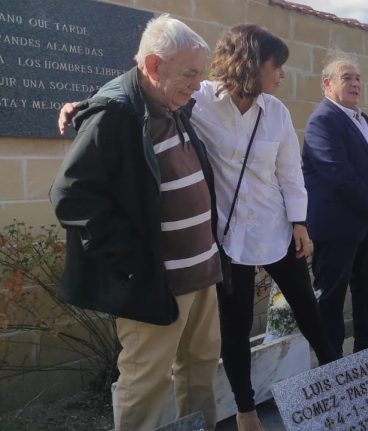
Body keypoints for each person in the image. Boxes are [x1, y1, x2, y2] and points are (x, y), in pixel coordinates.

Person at [57, 25, 337, 431]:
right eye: (277, 66)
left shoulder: (273, 111)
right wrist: (87, 105)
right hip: (222, 242)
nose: (282, 75)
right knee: (226, 335)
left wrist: (299, 221)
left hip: (261, 234)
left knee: (294, 317)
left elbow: (291, 174)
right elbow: (135, 97)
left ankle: (341, 387)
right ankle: (245, 412)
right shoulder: (199, 99)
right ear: (251, 64)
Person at [50, 15, 222, 430]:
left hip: (202, 274)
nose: (198, 83)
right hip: (155, 283)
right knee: (146, 385)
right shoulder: (114, 116)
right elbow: (71, 196)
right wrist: (134, 261)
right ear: (152, 65)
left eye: (201, 73)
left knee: (200, 369)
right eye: (190, 73)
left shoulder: (173, 104)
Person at [302, 54, 368, 358]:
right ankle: (331, 357)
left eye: (358, 78)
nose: (355, 83)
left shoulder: (363, 119)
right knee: (332, 296)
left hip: (367, 221)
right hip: (336, 226)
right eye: (347, 77)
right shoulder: (322, 121)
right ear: (327, 84)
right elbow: (337, 171)